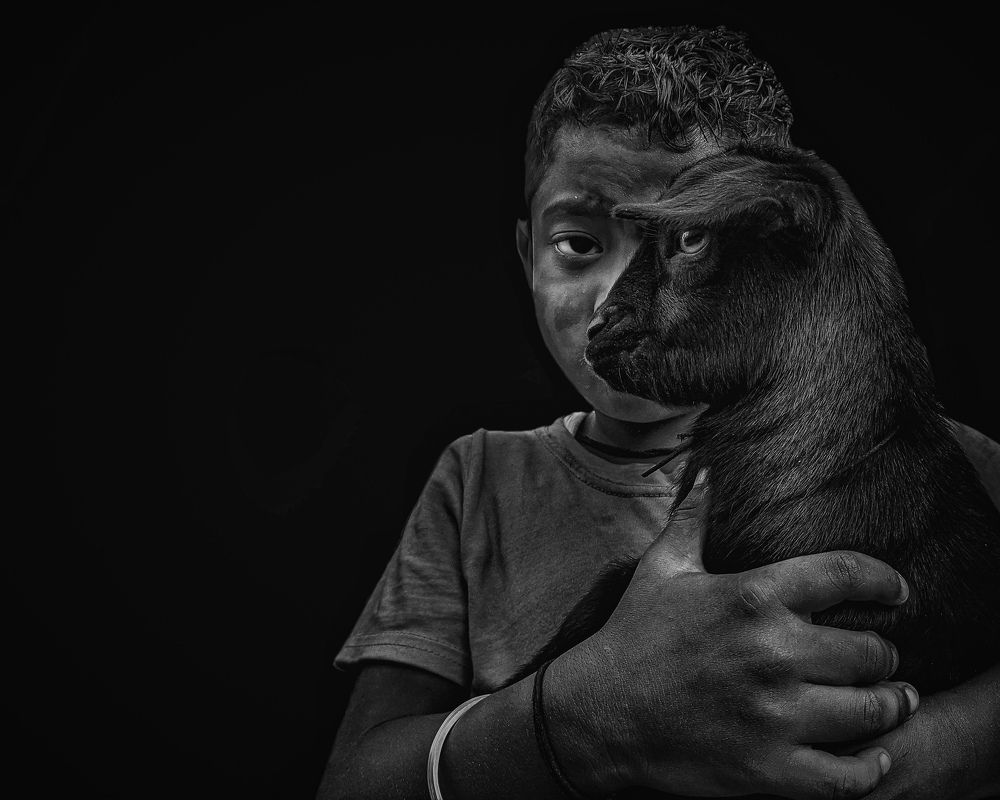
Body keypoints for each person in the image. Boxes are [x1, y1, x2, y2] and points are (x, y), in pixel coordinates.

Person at [318, 26, 1000, 800]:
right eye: (578, 243)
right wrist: (577, 719)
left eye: (689, 239)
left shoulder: (950, 461)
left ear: (781, 236)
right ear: (525, 252)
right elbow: (352, 784)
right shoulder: (479, 478)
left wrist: (913, 759)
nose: (611, 298)